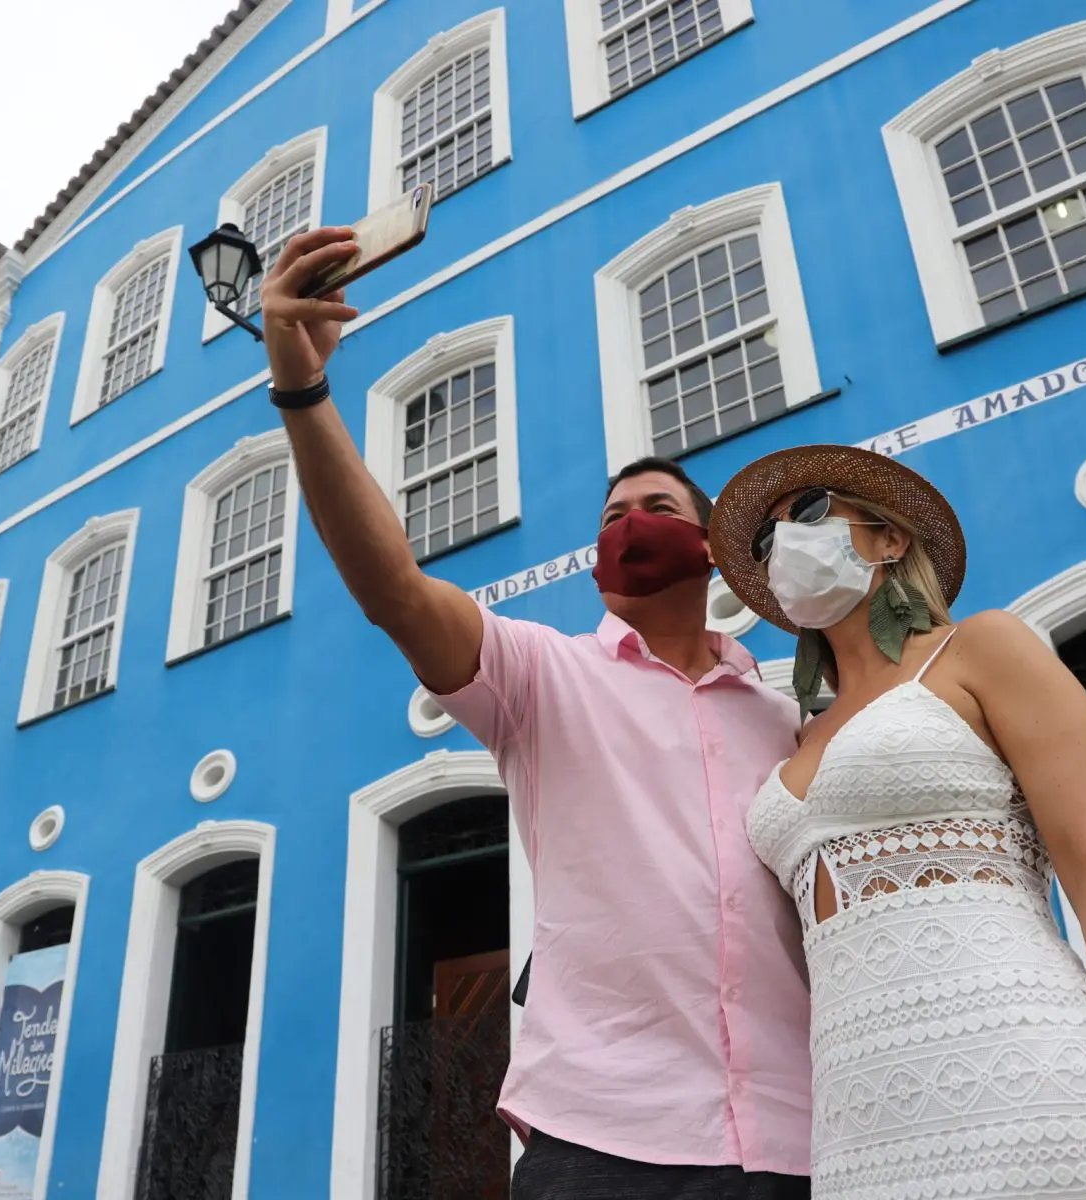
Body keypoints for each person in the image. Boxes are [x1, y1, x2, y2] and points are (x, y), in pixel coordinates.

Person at [261, 229, 813, 1196]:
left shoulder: (787, 718)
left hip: (791, 1136)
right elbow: (393, 588)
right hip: (601, 1137)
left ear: (716, 550)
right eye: (610, 518)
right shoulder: (540, 675)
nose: (629, 525)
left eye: (655, 508)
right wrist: (304, 395)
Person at [708, 445, 1086, 1200]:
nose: (785, 544)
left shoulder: (983, 648)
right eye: (766, 541)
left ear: (891, 538)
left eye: (806, 510)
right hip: (856, 1132)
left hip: (1034, 1089)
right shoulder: (797, 737)